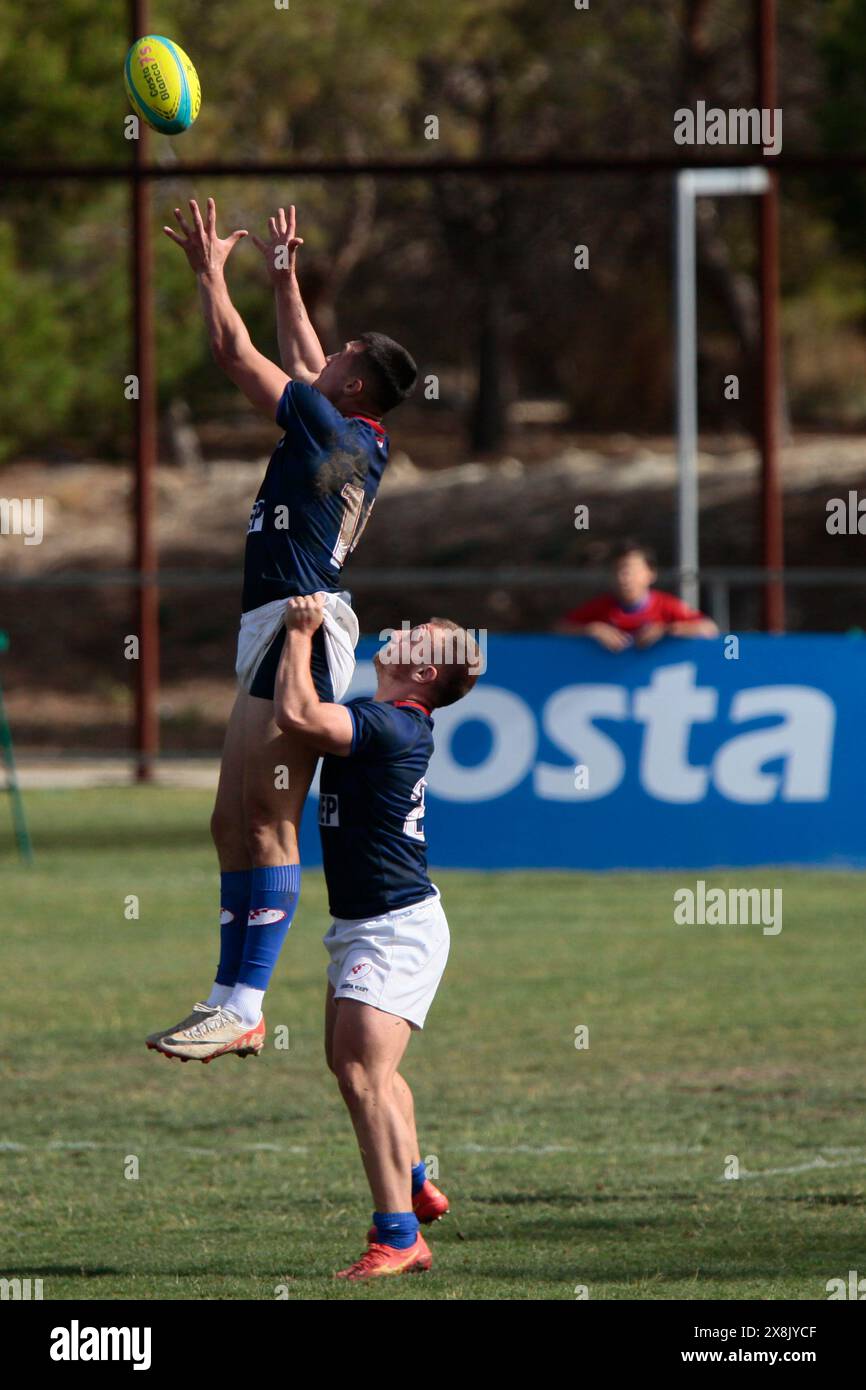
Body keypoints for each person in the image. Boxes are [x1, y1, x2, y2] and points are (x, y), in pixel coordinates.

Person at [146, 200, 417, 1063]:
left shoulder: (331, 427)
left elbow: (236, 353)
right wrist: (285, 276)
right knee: (232, 820)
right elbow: (309, 359)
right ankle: (230, 998)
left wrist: (208, 272)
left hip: (300, 629)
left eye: (341, 356)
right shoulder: (348, 435)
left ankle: (246, 1004)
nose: (324, 351)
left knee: (264, 818)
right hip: (280, 623)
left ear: (353, 385)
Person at [262, 594, 479, 1280]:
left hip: (394, 930)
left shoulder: (392, 726)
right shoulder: (389, 719)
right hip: (365, 924)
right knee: (354, 1066)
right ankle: (413, 1178)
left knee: (363, 1074)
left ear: (424, 673)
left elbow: (297, 715)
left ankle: (399, 1237)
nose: (408, 633)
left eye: (424, 636)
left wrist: (298, 632)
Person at [556, 540, 718, 651]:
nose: (624, 577)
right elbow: (560, 629)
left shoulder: (667, 605)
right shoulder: (602, 607)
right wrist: (592, 630)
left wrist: (666, 630)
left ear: (650, 574)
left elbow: (709, 629)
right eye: (618, 570)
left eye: (631, 571)